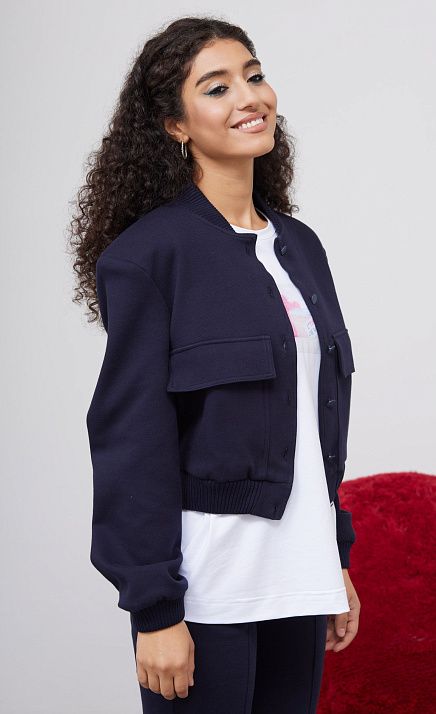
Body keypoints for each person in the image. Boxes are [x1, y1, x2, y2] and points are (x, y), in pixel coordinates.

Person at [69, 15, 361, 713]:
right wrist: (154, 609)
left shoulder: (301, 246)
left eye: (254, 76)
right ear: (175, 126)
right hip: (207, 591)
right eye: (217, 87)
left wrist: (333, 560)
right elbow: (131, 438)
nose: (248, 97)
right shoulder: (148, 257)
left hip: (300, 578)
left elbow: (313, 423)